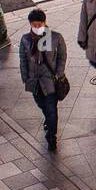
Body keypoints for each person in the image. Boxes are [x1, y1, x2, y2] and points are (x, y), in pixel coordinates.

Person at [19, 8, 66, 152]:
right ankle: (48, 120)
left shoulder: (56, 37)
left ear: (45, 23)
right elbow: (23, 60)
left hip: (50, 81)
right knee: (41, 104)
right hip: (34, 82)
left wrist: (59, 73)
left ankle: (52, 137)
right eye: (34, 25)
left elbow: (62, 57)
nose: (37, 28)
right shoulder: (25, 39)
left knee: (52, 109)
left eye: (39, 25)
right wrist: (25, 77)